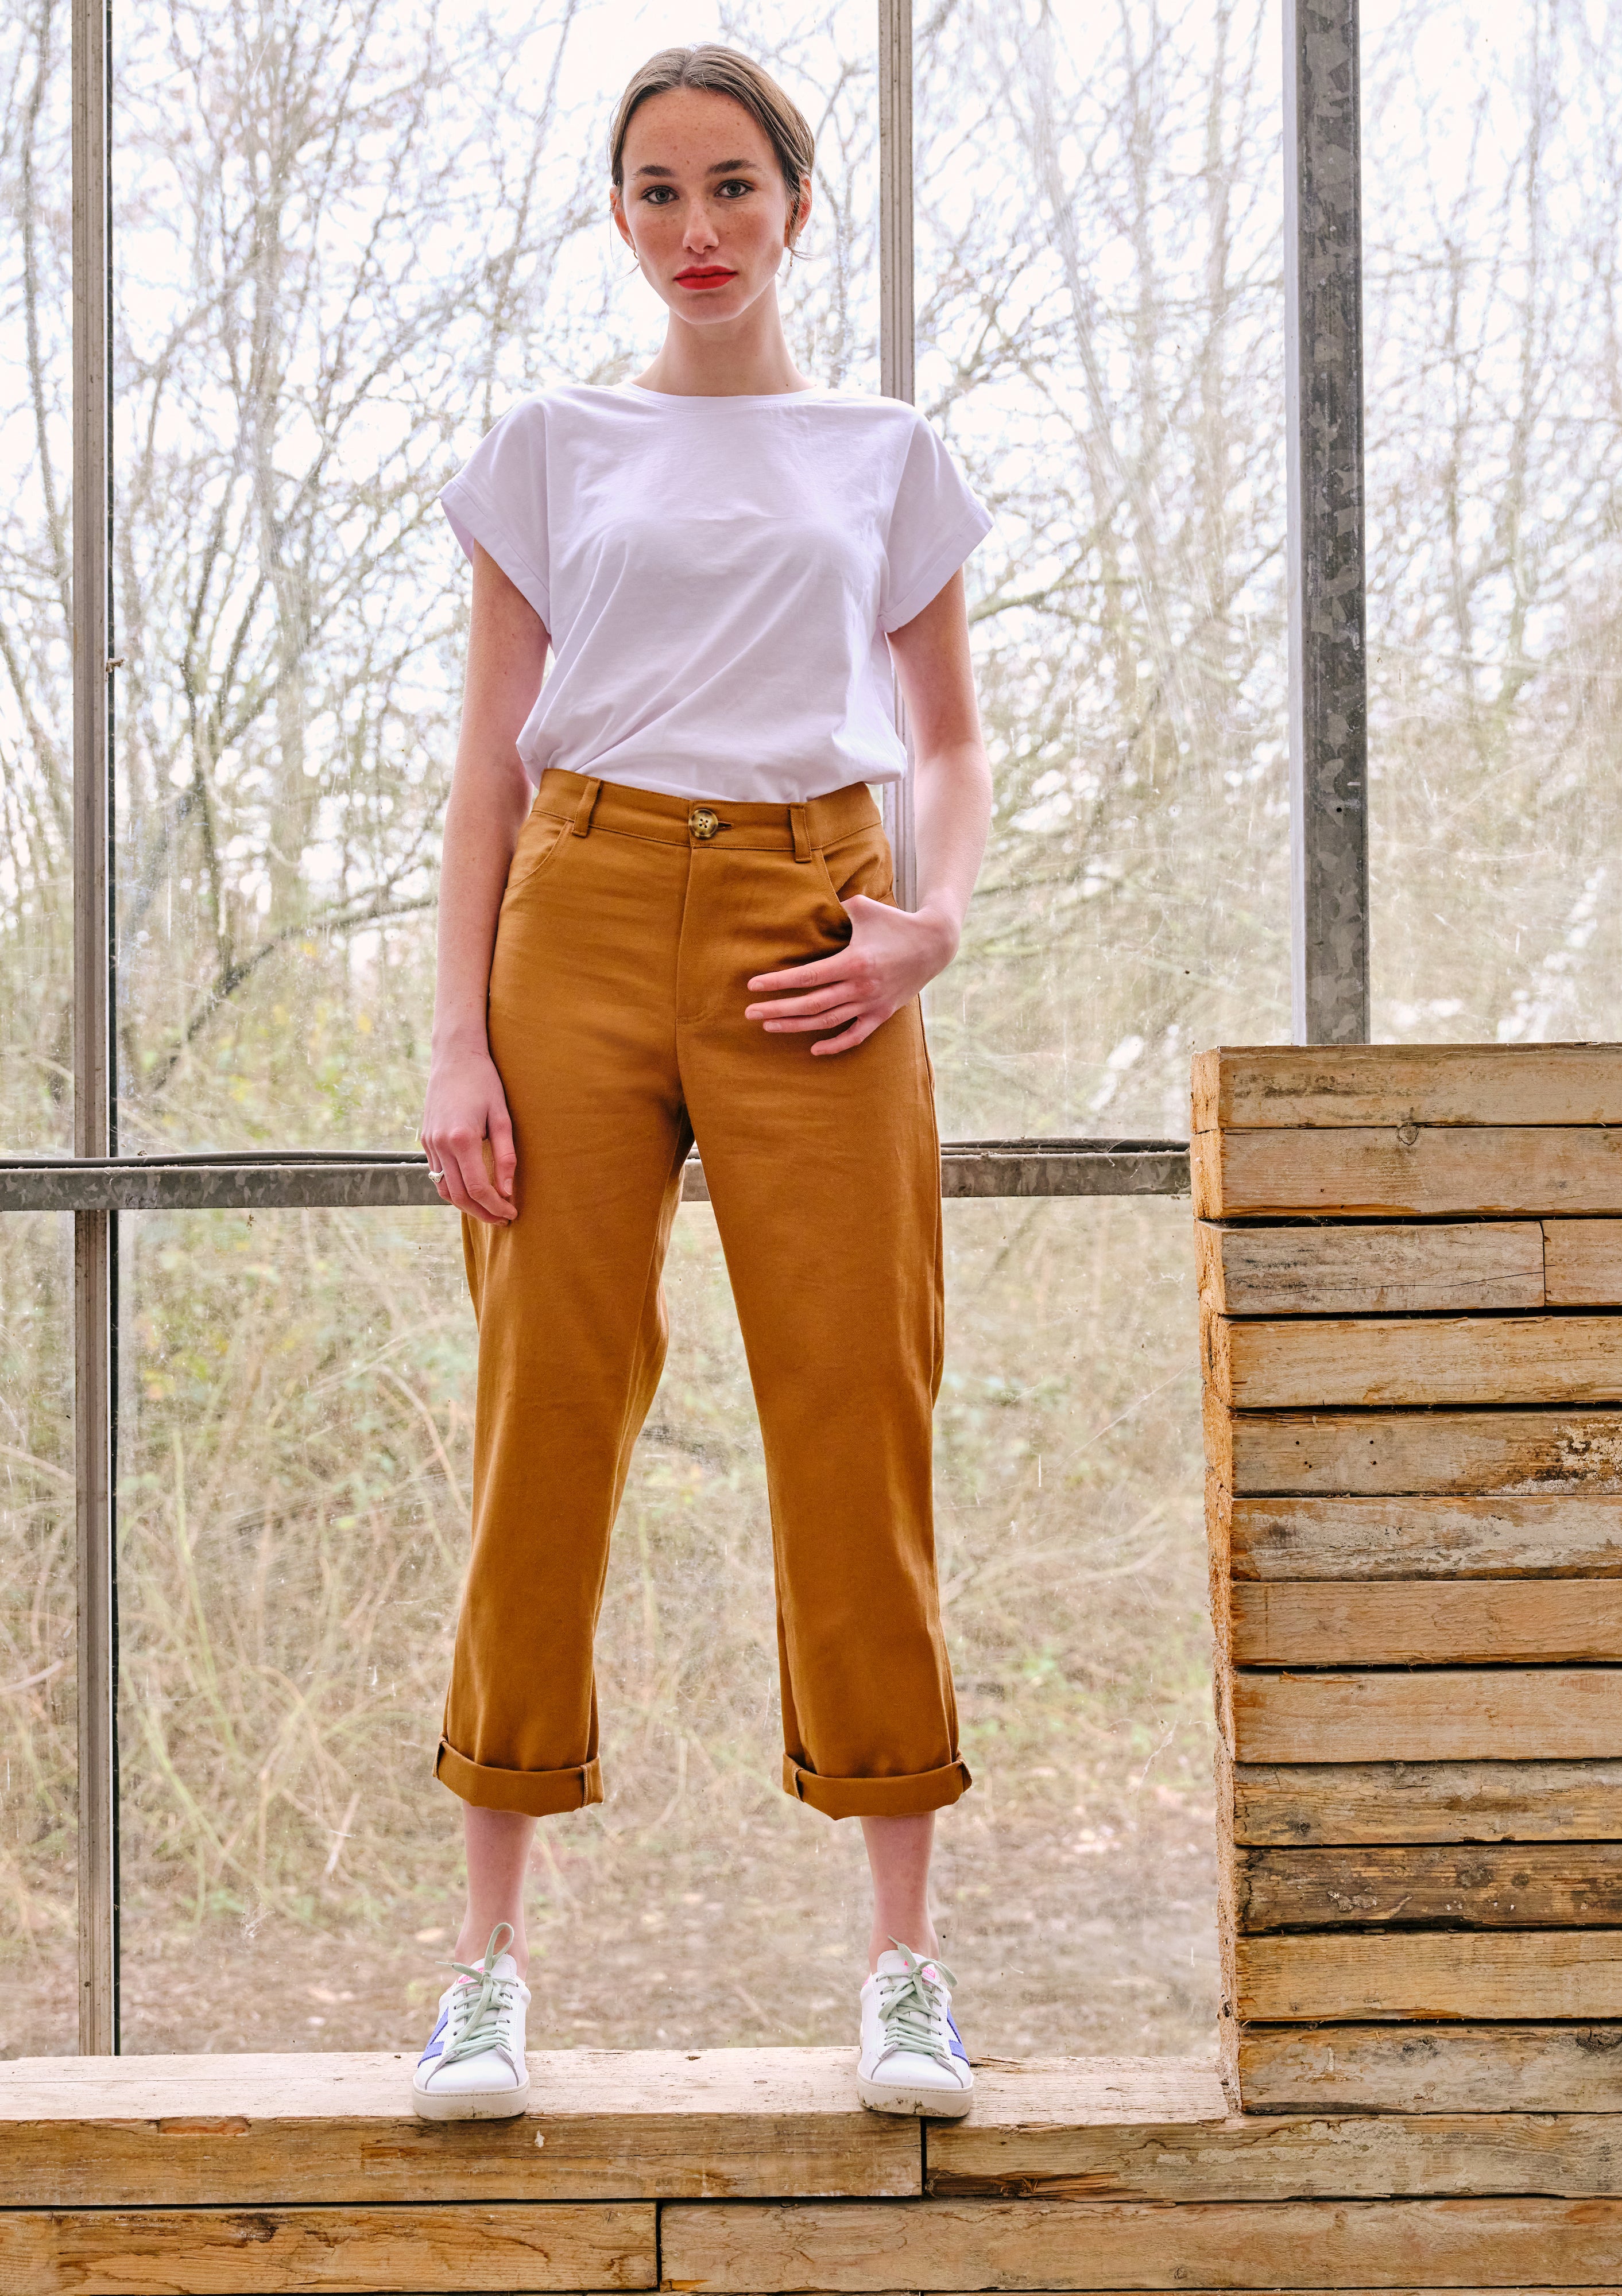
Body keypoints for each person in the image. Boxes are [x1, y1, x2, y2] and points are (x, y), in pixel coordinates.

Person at [411, 44, 993, 2124]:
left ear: (796, 206)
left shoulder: (883, 452)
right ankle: (482, 1972)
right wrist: (455, 1036)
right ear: (622, 219)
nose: (698, 225)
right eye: (657, 190)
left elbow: (949, 740)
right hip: (569, 917)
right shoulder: (551, 447)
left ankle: (905, 1965)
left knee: (855, 1406)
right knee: (544, 1418)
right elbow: (487, 762)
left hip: (816, 930)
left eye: (733, 184)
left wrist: (930, 923)